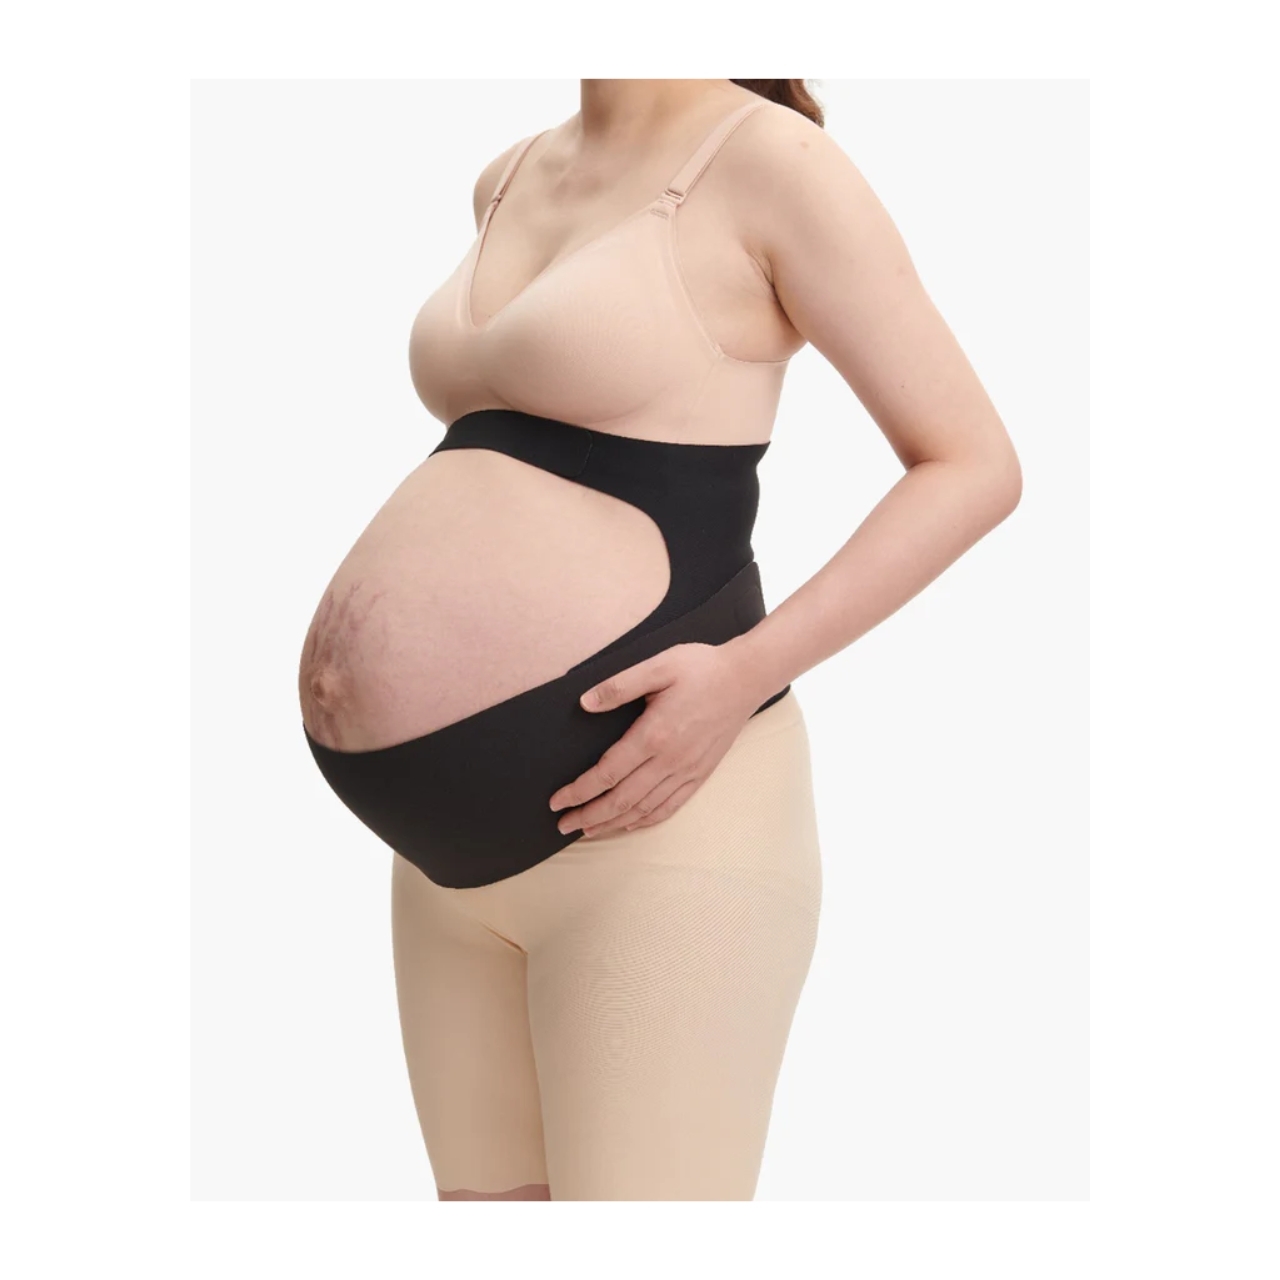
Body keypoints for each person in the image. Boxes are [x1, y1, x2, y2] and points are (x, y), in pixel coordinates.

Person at [298, 78, 1021, 1201]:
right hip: (443, 864)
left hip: (660, 834)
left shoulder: (772, 163)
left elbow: (972, 464)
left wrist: (746, 671)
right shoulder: (508, 173)